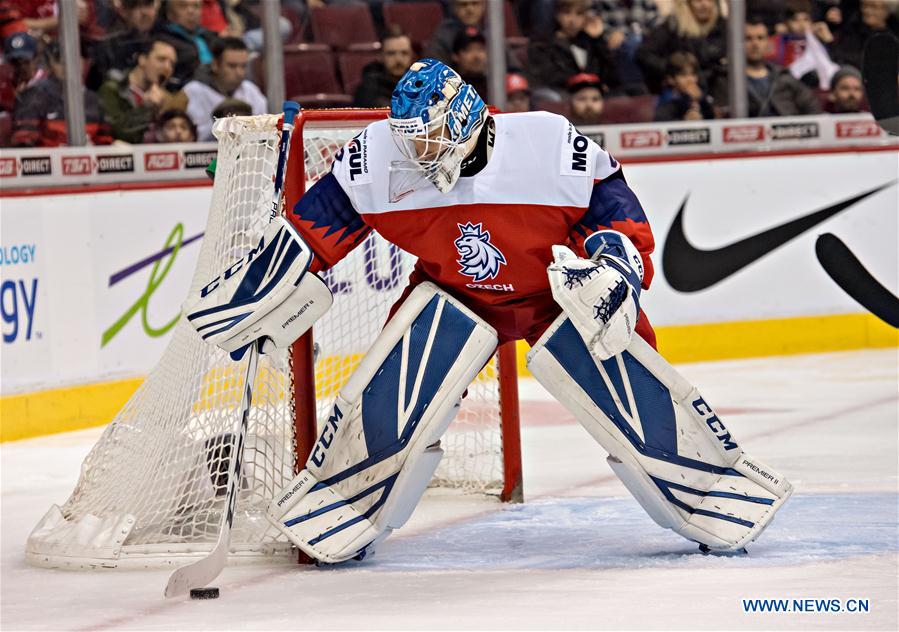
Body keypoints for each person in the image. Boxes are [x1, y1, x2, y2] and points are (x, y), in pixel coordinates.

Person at [188, 58, 792, 565]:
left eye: (427, 136)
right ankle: (347, 496)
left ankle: (709, 484)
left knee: (618, 362)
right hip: (457, 293)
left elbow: (616, 213)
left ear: (465, 120)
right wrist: (264, 288)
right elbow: (316, 226)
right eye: (407, 138)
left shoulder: (547, 142)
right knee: (399, 378)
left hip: (555, 292)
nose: (415, 151)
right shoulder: (379, 158)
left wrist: (612, 267)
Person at [11, 39, 111, 146]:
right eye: (59, 60)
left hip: (88, 161)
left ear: (85, 62)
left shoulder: (94, 99)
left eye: (73, 59)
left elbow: (105, 142)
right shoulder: (32, 96)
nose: (67, 65)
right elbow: (24, 145)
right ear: (49, 64)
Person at [713, 18, 820, 118]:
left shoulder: (783, 76)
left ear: (768, 43)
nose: (755, 44)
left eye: (760, 38)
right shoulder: (726, 79)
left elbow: (811, 105)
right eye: (748, 39)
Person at [98, 37, 187, 143]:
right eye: (161, 59)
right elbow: (118, 133)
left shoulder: (169, 98)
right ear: (142, 59)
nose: (167, 68)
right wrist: (145, 108)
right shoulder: (112, 90)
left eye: (172, 64)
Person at [528, 0, 619, 98]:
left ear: (586, 17)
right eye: (566, 13)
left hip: (592, 96)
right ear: (557, 15)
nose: (572, 20)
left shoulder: (591, 42)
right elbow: (550, 77)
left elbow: (612, 77)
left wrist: (598, 39)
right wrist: (585, 85)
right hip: (563, 94)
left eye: (579, 14)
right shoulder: (543, 44)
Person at [183, 36, 266, 141]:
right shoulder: (192, 91)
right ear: (215, 65)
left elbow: (265, 129)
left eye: (243, 66)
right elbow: (191, 134)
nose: (239, 73)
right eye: (232, 66)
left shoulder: (251, 90)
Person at [636, 0, 727, 94]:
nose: (705, 5)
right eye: (698, 1)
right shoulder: (673, 26)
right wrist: (674, 71)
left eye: (709, 0)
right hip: (679, 90)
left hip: (716, 85)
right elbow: (643, 53)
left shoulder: (724, 26)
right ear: (687, 3)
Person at [87, 0, 161, 91]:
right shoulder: (107, 47)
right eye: (136, 6)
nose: (144, 12)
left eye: (148, 5)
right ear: (123, 11)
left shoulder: (165, 43)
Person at [154, 0, 218, 90]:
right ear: (170, 13)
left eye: (196, 6)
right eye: (183, 6)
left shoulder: (210, 37)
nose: (191, 11)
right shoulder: (163, 41)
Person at [353, 27, 414, 108]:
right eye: (391, 53)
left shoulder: (420, 83)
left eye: (404, 53)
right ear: (380, 56)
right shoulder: (368, 88)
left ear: (411, 55)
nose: (398, 59)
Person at [653, 51, 715, 121]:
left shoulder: (703, 100)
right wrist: (684, 122)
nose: (690, 80)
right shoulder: (666, 101)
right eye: (683, 75)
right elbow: (661, 124)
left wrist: (701, 100)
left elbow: (713, 120)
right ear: (671, 79)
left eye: (693, 74)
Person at [425, 0, 486, 64]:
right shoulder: (442, 36)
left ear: (483, 6)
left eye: (475, 4)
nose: (470, 9)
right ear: (454, 8)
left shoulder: (493, 31)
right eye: (463, 5)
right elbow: (437, 67)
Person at [0, 32, 46, 113]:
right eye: (15, 62)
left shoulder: (46, 84)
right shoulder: (3, 86)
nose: (20, 67)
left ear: (36, 59)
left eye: (25, 62)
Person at [450, 26, 488, 98]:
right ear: (455, 56)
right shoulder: (448, 91)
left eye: (480, 49)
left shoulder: (496, 87)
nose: (476, 56)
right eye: (468, 50)